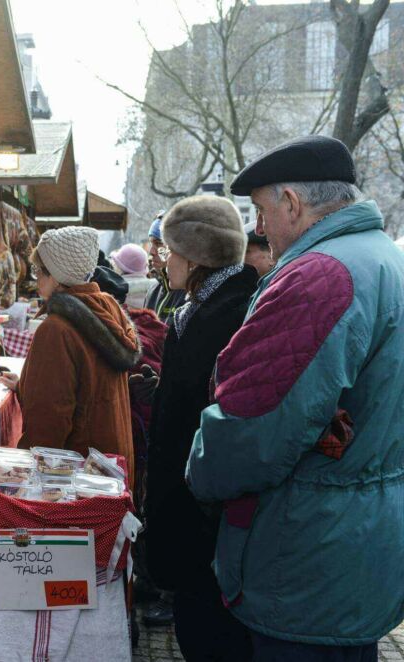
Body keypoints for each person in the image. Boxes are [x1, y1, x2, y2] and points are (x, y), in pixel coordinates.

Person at [187, 136, 404, 660]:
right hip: (355, 544)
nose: (258, 228)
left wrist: (199, 472)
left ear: (291, 203)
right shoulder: (382, 259)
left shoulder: (318, 276)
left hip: (306, 554)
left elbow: (253, 426)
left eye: (261, 210)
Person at [143, 196, 257, 660]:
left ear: (193, 257)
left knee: (208, 630)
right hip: (196, 500)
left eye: (170, 250)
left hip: (206, 507)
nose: (164, 259)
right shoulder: (204, 307)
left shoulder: (225, 313)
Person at [0, 226, 140, 485]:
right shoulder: (108, 307)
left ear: (57, 277)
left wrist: (24, 478)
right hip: (107, 469)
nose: (36, 279)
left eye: (39, 271)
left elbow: (48, 422)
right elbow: (86, 390)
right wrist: (26, 386)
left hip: (74, 475)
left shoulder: (57, 329)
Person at [143, 215, 186, 322]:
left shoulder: (191, 292)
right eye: (151, 243)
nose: (152, 251)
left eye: (158, 243)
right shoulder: (153, 290)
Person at [110, 243, 156, 309]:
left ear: (119, 267)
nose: (113, 265)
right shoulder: (156, 290)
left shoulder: (114, 292)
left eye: (115, 263)